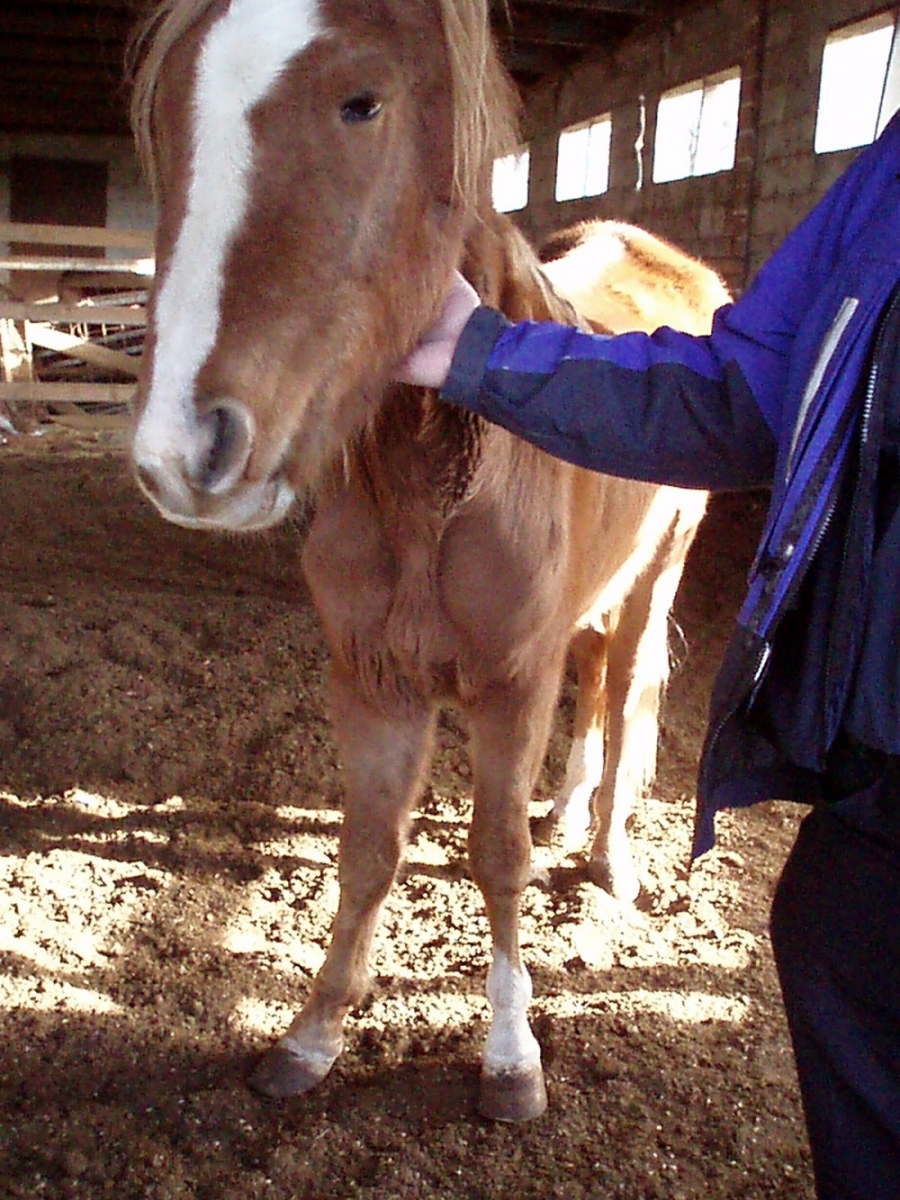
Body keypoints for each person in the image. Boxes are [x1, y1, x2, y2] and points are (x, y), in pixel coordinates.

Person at [396, 112, 900, 1200]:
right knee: (835, 938)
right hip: (879, 772)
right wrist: (476, 352)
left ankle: (606, 804)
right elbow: (745, 388)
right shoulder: (889, 170)